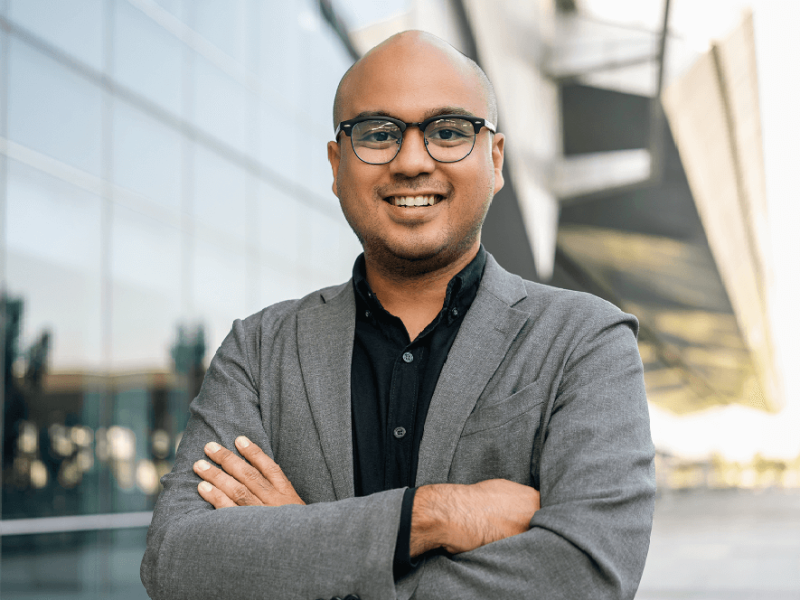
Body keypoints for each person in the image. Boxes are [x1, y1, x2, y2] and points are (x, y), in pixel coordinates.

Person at [141, 30, 655, 600]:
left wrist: (306, 546)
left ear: (496, 159)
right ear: (337, 164)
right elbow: (178, 561)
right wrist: (430, 516)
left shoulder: (586, 340)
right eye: (378, 134)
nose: (412, 161)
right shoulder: (259, 349)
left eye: (449, 131)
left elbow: (586, 575)